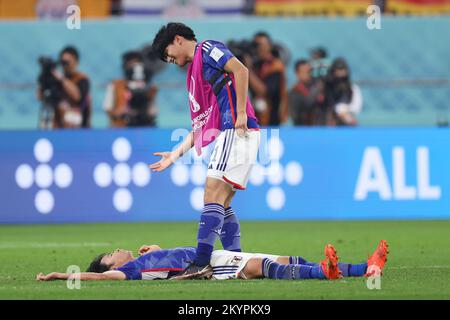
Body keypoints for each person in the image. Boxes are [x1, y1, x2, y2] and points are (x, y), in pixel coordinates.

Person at [149, 23, 260, 277]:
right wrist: (175, 154)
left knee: (212, 193)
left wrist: (241, 112)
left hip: (236, 129)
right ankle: (237, 260)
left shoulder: (208, 49)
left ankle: (201, 262)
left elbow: (240, 70)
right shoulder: (195, 74)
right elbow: (201, 125)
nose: (172, 61)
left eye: (168, 54)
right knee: (222, 201)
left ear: (177, 39)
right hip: (233, 131)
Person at [36, 240, 389, 282]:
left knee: (284, 257)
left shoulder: (143, 259)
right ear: (109, 265)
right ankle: (324, 273)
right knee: (260, 268)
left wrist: (157, 248)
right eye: (109, 254)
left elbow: (167, 260)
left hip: (209, 255)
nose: (117, 250)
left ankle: (367, 267)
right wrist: (58, 275)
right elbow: (97, 279)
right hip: (207, 268)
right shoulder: (123, 274)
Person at [38, 46, 92, 128]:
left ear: (76, 61)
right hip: (57, 125)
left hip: (78, 126)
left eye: (67, 62)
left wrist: (62, 79)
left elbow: (77, 96)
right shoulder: (55, 80)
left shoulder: (82, 79)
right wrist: (44, 79)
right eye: (62, 62)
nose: (65, 65)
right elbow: (40, 97)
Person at [103, 51, 158, 127]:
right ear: (125, 66)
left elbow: (153, 111)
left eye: (137, 64)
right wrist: (122, 111)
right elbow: (108, 108)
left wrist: (145, 109)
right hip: (121, 127)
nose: (134, 67)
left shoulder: (149, 87)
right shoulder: (116, 85)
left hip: (144, 126)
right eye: (131, 65)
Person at [246, 32, 288, 126]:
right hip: (255, 118)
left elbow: (264, 91)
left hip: (272, 121)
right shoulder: (255, 65)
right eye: (255, 45)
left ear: (270, 46)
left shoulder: (276, 66)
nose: (258, 48)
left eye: (261, 45)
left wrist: (247, 70)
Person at [324, 58, 363, 126]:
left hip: (346, 121)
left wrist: (343, 110)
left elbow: (356, 107)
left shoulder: (352, 88)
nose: (340, 73)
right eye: (338, 70)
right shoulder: (327, 86)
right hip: (328, 121)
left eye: (342, 69)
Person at [288, 59, 325, 126]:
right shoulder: (295, 92)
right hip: (304, 130)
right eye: (304, 71)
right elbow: (296, 116)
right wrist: (316, 91)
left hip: (320, 128)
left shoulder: (318, 86)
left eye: (310, 71)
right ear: (297, 73)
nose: (308, 74)